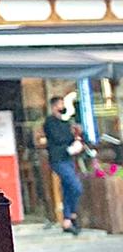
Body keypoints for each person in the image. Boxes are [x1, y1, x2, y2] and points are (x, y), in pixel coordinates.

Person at [42, 96, 83, 235]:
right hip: (58, 159)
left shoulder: (66, 122)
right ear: (54, 106)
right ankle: (72, 214)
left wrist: (77, 139)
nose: (63, 107)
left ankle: (67, 220)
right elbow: (58, 138)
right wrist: (70, 139)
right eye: (60, 104)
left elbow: (71, 137)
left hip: (68, 158)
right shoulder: (50, 122)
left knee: (67, 188)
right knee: (76, 186)